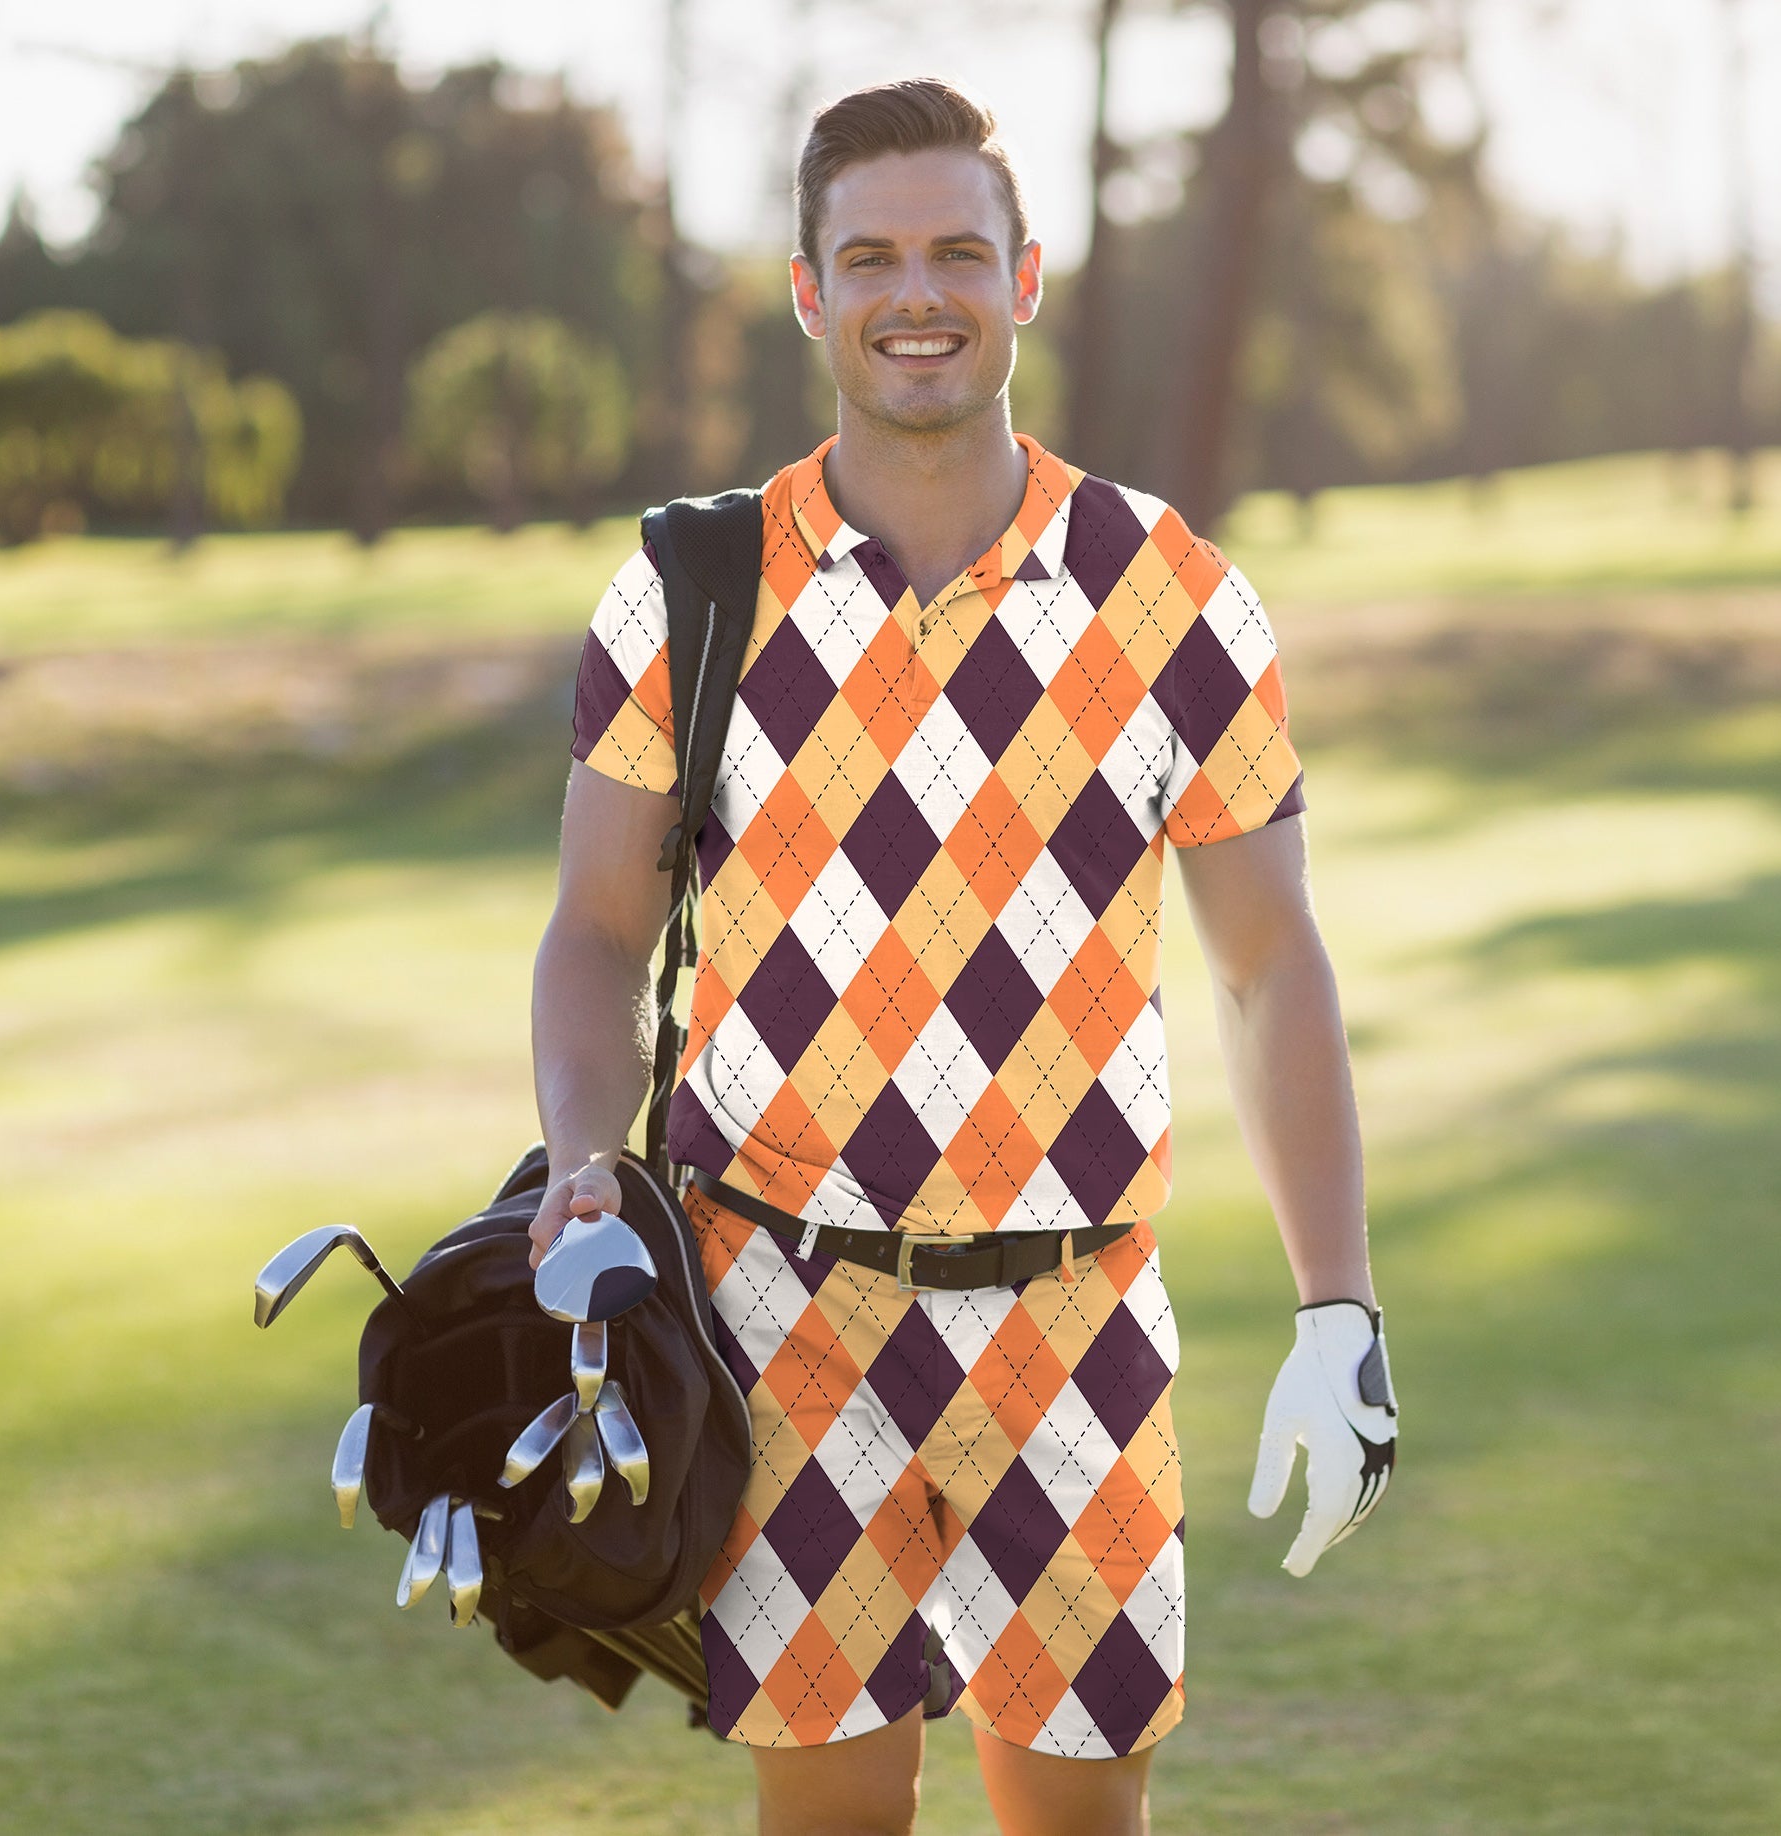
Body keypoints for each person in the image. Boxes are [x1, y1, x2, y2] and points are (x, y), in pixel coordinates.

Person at [529, 78, 1393, 1836]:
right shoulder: (693, 590)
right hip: (775, 1314)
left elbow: (1269, 969)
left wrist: (1340, 1308)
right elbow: (599, 928)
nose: (915, 292)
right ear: (807, 291)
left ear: (1028, 277)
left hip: (1078, 1317)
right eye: (871, 257)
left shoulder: (1172, 592)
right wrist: (577, 1162)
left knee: (1081, 1819)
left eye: (955, 253)